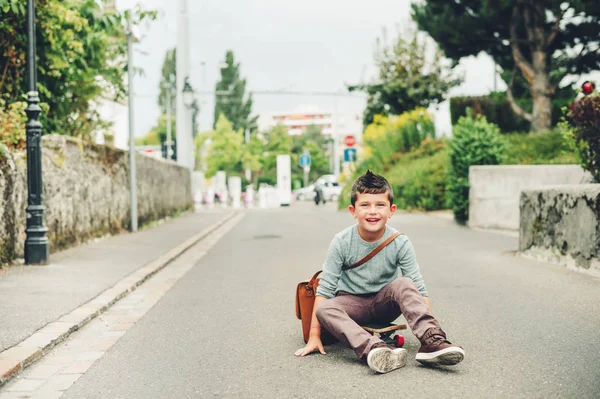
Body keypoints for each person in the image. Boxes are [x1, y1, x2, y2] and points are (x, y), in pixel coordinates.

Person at [294, 170, 464, 373]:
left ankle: (431, 343)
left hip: (385, 304)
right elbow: (326, 289)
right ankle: (374, 349)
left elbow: (419, 289)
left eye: (380, 205)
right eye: (365, 205)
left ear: (391, 210)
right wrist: (314, 335)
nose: (372, 211)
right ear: (353, 211)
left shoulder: (400, 242)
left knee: (406, 283)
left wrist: (431, 331)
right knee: (324, 308)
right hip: (351, 305)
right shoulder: (341, 241)